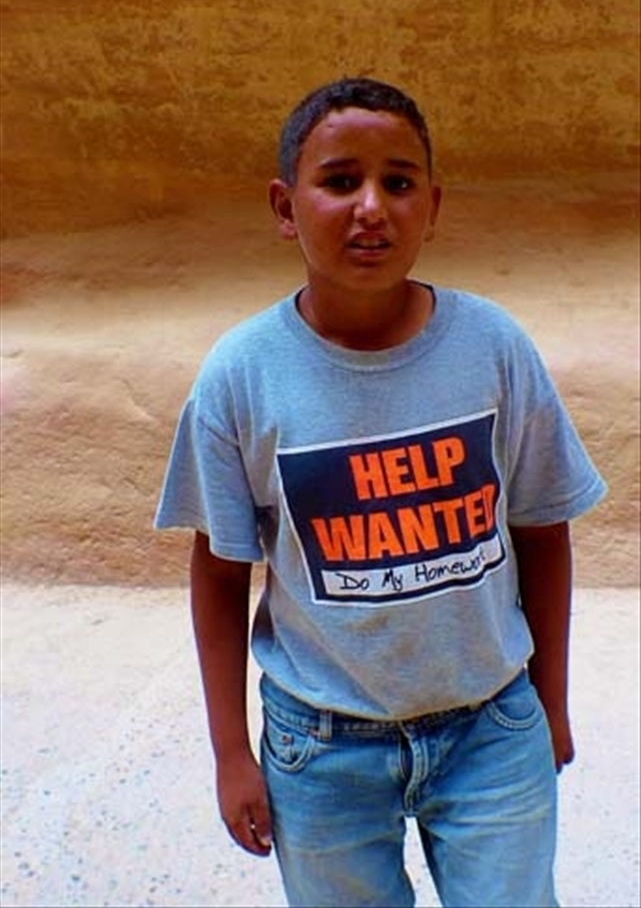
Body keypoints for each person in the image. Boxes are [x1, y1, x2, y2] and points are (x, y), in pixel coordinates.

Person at [155, 77, 606, 908]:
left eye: (398, 183)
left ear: (430, 207)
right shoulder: (241, 377)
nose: (372, 206)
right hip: (318, 748)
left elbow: (543, 530)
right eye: (339, 181)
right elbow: (219, 575)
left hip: (490, 728)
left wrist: (550, 705)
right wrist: (229, 753)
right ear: (286, 207)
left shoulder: (493, 348)